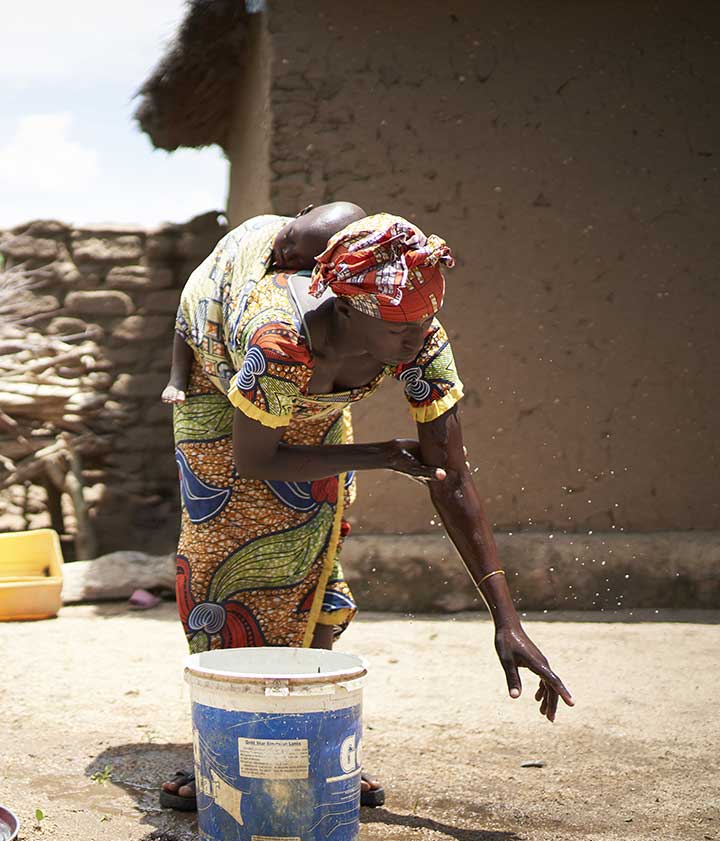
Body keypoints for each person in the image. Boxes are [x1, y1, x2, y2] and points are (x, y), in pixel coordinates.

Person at [160, 212, 574, 810]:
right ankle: (218, 756)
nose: (417, 339)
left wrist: (506, 618)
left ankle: (313, 746)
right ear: (346, 309)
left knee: (315, 562)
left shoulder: (416, 331)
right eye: (400, 328)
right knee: (225, 570)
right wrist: (378, 453)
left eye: (425, 321)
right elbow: (255, 459)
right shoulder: (278, 336)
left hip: (309, 407)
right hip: (223, 390)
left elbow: (450, 476)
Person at [162, 202, 367, 405]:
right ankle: (177, 376)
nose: (287, 253)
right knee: (197, 298)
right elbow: (202, 288)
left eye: (301, 259)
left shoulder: (321, 285)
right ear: (302, 212)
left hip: (277, 390)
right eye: (290, 238)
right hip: (207, 357)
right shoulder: (253, 235)